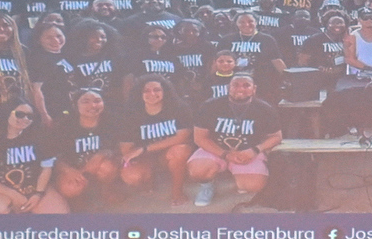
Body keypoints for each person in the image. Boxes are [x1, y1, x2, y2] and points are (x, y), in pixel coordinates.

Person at [190, 73, 283, 207]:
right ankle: (207, 185)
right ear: (228, 87)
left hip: (247, 152)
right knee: (198, 170)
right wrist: (225, 154)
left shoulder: (265, 109)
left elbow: (276, 136)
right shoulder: (210, 106)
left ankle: (239, 176)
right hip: (216, 149)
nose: (240, 89)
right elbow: (199, 137)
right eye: (235, 85)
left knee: (253, 185)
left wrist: (255, 150)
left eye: (246, 85)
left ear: (254, 89)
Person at [0, 100, 68, 213]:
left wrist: (38, 194)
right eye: (19, 114)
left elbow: (46, 168)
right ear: (7, 112)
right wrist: (13, 194)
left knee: (59, 213)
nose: (25, 119)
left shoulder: (39, 137)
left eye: (30, 116)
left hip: (34, 189)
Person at [117, 77, 195, 203]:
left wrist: (144, 148)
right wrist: (141, 160)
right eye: (146, 91)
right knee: (131, 176)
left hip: (168, 153)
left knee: (180, 151)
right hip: (145, 157)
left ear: (165, 91)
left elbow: (183, 136)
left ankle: (177, 191)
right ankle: (149, 179)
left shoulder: (179, 107)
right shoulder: (130, 114)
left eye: (157, 90)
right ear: (139, 93)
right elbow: (126, 149)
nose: (152, 94)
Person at [50, 88, 123, 207]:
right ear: (76, 105)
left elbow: (120, 149)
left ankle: (106, 190)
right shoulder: (64, 126)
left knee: (107, 167)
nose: (92, 105)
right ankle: (79, 200)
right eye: (85, 101)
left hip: (100, 166)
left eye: (97, 101)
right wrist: (69, 170)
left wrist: (103, 154)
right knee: (69, 188)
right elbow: (52, 156)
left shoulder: (112, 122)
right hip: (74, 169)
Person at [346, 7, 372, 75]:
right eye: (365, 18)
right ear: (359, 20)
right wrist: (367, 69)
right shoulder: (353, 36)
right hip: (359, 75)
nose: (369, 20)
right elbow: (350, 59)